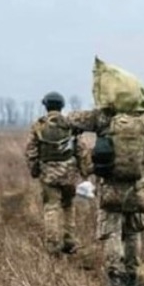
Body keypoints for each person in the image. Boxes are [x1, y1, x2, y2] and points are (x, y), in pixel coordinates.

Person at [67, 104, 144, 286]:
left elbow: (71, 119)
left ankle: (115, 279)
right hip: (137, 188)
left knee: (112, 233)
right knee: (133, 233)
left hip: (110, 187)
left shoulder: (103, 117)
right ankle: (132, 277)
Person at [25, 91, 88, 256]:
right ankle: (69, 241)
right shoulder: (70, 124)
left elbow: (31, 150)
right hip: (69, 174)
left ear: (46, 105)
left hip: (48, 174)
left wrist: (34, 169)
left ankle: (53, 245)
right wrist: (84, 170)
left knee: (51, 208)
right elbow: (80, 149)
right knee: (68, 206)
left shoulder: (39, 125)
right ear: (62, 106)